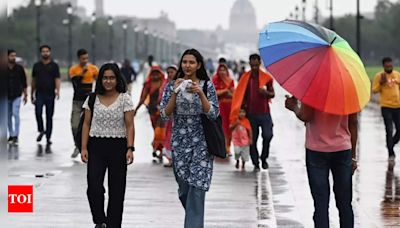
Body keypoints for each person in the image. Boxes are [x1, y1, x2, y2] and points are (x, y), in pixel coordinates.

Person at [160, 49, 219, 228]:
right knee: (184, 188)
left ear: (198, 65)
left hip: (202, 143)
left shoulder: (207, 86)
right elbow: (164, 114)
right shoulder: (172, 86)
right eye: (184, 62)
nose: (187, 65)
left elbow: (214, 113)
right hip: (179, 143)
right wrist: (175, 92)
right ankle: (194, 219)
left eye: (191, 62)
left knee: (197, 188)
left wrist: (200, 94)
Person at [285, 96, 358, 228]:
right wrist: (353, 156)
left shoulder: (314, 88)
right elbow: (353, 122)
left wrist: (294, 107)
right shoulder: (347, 90)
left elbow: (306, 115)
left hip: (316, 151)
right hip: (342, 150)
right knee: (345, 202)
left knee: (321, 203)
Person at [80, 63, 135, 228]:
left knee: (117, 190)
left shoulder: (125, 98)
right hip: (96, 146)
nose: (108, 81)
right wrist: (83, 148)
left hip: (118, 146)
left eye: (112, 78)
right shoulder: (92, 98)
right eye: (105, 78)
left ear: (117, 79)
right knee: (94, 187)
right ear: (100, 79)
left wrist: (130, 148)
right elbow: (86, 124)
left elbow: (130, 125)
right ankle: (100, 220)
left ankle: (113, 224)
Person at [230, 54, 274, 171]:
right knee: (252, 140)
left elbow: (272, 94)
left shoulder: (266, 78)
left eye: (256, 65)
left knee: (268, 135)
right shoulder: (245, 78)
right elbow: (240, 95)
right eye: (252, 65)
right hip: (251, 115)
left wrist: (265, 93)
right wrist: (240, 110)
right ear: (249, 64)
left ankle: (264, 158)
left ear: (260, 63)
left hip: (264, 114)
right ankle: (256, 163)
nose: (254, 67)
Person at [69, 48, 99, 158]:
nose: (85, 61)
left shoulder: (93, 69)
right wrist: (82, 73)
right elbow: (75, 83)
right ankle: (77, 144)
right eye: (83, 59)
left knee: (90, 124)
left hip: (89, 100)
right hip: (77, 100)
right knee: (75, 124)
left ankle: (87, 146)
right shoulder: (74, 69)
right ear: (79, 59)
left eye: (86, 58)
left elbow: (99, 82)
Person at [134, 66, 166, 159]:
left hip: (163, 112)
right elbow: (143, 98)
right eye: (154, 73)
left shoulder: (165, 83)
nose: (156, 75)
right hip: (152, 111)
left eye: (157, 73)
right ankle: (158, 149)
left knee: (160, 131)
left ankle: (158, 150)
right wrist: (136, 109)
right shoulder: (148, 84)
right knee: (155, 130)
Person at [31, 45, 61, 145]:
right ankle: (41, 130)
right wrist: (32, 93)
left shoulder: (54, 66)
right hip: (39, 93)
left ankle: (48, 137)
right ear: (40, 53)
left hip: (50, 94)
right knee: (38, 112)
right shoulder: (36, 66)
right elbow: (33, 80)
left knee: (49, 116)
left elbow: (57, 78)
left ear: (50, 52)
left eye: (47, 51)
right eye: (43, 51)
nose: (45, 53)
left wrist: (57, 90)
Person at [372, 57, 400, 161]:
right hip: (386, 106)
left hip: (397, 106)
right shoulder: (379, 76)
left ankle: (390, 144)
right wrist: (381, 83)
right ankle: (391, 153)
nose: (389, 67)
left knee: (399, 129)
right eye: (387, 66)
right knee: (389, 129)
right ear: (383, 66)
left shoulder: (397, 75)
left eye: (390, 65)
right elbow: (374, 90)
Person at [212, 63, 235, 155]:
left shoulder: (230, 81)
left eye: (224, 70)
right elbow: (214, 93)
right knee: (220, 127)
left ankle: (228, 147)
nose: (222, 72)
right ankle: (221, 147)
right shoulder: (215, 80)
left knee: (229, 127)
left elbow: (233, 94)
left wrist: (225, 93)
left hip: (229, 107)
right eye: (220, 70)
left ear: (227, 71)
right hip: (219, 107)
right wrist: (225, 91)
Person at [7, 49, 27, 145]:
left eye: (15, 55)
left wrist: (25, 94)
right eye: (11, 56)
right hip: (6, 95)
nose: (13, 57)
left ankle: (16, 135)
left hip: (17, 95)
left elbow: (24, 82)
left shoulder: (19, 68)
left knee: (15, 113)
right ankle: (10, 134)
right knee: (8, 116)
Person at [163, 65, 178, 167]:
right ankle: (170, 159)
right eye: (168, 72)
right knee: (169, 137)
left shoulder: (183, 84)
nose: (170, 74)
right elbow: (162, 99)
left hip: (180, 118)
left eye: (172, 72)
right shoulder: (167, 85)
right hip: (170, 118)